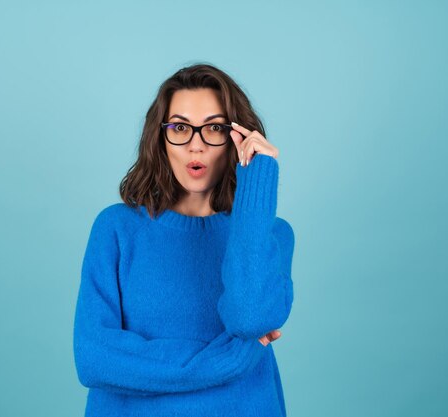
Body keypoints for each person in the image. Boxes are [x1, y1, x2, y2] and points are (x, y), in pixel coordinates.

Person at [72, 63, 296, 417]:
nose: (196, 145)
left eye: (214, 128)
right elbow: (94, 359)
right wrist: (228, 357)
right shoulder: (115, 228)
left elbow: (250, 317)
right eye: (180, 127)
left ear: (237, 137)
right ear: (159, 138)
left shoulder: (270, 234)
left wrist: (259, 175)